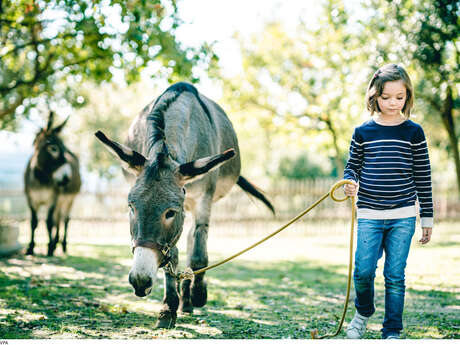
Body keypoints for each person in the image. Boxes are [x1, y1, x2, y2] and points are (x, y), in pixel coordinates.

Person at [343, 63, 433, 339]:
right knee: (363, 272)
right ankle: (363, 312)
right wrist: (350, 181)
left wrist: (426, 218)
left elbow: (423, 177)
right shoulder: (363, 132)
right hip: (369, 213)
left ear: (407, 97)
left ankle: (392, 330)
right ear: (374, 97)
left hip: (403, 215)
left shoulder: (413, 132)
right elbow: (352, 166)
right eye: (386, 97)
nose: (393, 103)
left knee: (395, 275)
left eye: (400, 97)